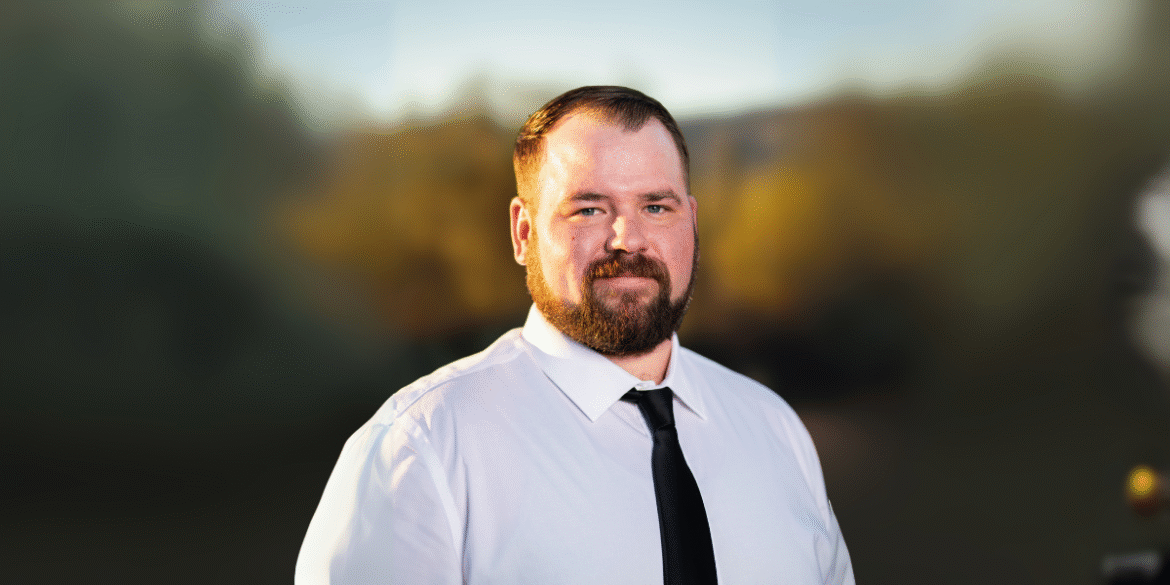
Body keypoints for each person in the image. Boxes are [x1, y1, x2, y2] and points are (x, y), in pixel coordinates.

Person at [295, 86, 854, 584]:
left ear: (692, 222)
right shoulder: (421, 449)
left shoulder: (776, 430)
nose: (627, 238)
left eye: (656, 206)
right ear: (523, 232)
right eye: (588, 209)